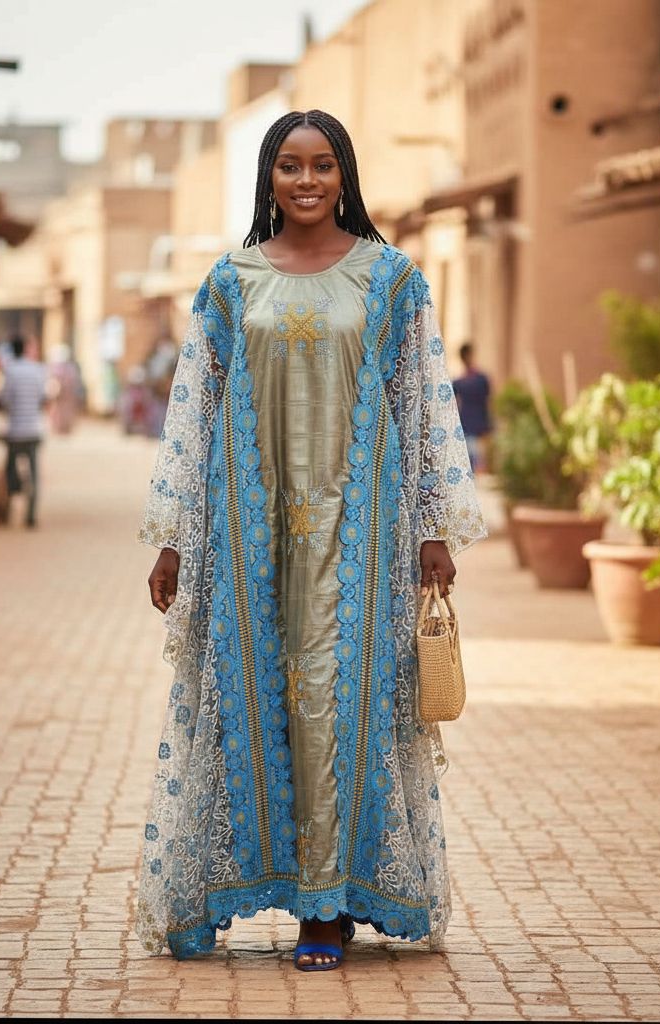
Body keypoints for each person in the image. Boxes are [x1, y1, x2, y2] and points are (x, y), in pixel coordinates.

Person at [136, 110, 487, 971]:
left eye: (322, 166)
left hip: (361, 535)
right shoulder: (230, 283)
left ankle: (327, 908)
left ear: (344, 176)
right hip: (248, 535)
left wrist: (434, 527)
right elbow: (191, 412)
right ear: (267, 177)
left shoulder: (392, 280)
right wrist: (175, 540)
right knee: (250, 702)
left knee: (337, 703)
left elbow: (422, 402)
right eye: (289, 166)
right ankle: (233, 887)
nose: (305, 182)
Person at [0, 334, 48, 528]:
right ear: (25, 348)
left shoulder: (9, 371)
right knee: (34, 474)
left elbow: (5, 400)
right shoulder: (37, 369)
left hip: (15, 431)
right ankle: (31, 515)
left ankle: (9, 509)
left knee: (10, 471)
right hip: (34, 430)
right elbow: (44, 399)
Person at [452, 342, 493, 474]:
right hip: (466, 423)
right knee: (471, 459)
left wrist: (488, 424)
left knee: (476, 459)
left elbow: (488, 401)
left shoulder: (481, 379)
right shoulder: (460, 382)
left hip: (477, 423)